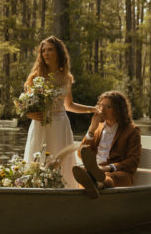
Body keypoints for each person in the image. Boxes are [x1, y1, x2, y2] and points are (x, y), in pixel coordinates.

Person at [23, 36, 98, 188]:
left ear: (58, 52)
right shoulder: (36, 77)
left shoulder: (66, 78)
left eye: (50, 50)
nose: (46, 53)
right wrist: (28, 114)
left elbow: (69, 105)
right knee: (39, 160)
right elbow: (26, 105)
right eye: (43, 50)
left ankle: (64, 190)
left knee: (62, 161)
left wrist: (91, 109)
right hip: (41, 125)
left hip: (61, 125)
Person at [73, 90, 141, 198]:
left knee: (106, 177)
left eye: (108, 107)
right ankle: (95, 182)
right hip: (95, 168)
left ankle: (97, 183)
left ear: (118, 110)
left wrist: (108, 168)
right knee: (88, 173)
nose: (102, 110)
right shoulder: (98, 128)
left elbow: (133, 161)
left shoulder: (131, 130)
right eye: (101, 105)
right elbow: (81, 154)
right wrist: (91, 129)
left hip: (118, 173)